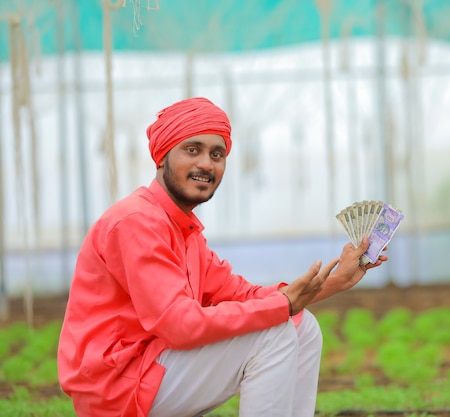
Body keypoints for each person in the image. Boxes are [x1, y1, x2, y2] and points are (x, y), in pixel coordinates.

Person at [57, 97, 388, 417]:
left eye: (217, 154)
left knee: (302, 326)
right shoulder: (137, 222)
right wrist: (282, 306)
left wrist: (336, 281)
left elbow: (246, 295)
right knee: (274, 332)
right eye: (192, 149)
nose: (206, 163)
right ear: (161, 157)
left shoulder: (185, 232)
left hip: (153, 366)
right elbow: (180, 326)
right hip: (117, 386)